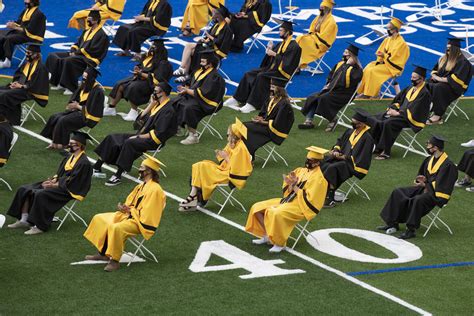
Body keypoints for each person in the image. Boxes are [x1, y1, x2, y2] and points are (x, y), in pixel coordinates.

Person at [84, 155, 166, 272]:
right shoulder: (141, 185)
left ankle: (115, 261)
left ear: (149, 171)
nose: (139, 170)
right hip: (128, 216)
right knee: (99, 218)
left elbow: (149, 214)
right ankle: (103, 253)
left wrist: (130, 211)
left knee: (116, 228)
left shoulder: (156, 190)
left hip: (139, 222)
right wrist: (124, 207)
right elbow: (131, 202)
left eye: (142, 168)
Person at [6, 131, 93, 235]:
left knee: (40, 194)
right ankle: (24, 220)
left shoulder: (84, 163)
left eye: (72, 143)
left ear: (79, 146)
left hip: (70, 190)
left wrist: (53, 185)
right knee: (25, 189)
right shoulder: (70, 157)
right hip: (60, 184)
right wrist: (52, 180)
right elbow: (60, 173)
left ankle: (39, 226)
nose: (69, 145)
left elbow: (75, 182)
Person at [245, 146, 329, 253]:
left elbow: (311, 199)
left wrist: (295, 186)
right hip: (288, 200)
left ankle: (279, 243)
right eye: (308, 159)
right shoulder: (300, 170)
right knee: (256, 207)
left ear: (317, 162)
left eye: (311, 160)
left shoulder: (319, 179)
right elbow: (288, 190)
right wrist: (290, 184)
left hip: (300, 206)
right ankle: (267, 235)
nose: (308, 162)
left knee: (275, 212)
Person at [93, 82, 177, 186]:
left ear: (163, 93)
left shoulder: (168, 110)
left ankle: (118, 175)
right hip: (142, 135)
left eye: (155, 91)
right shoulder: (157, 105)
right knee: (112, 137)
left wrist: (137, 136)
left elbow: (159, 133)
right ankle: (97, 167)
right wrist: (150, 105)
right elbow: (138, 122)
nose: (153, 93)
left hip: (153, 140)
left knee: (129, 142)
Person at [377, 135, 458, 239]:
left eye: (429, 145)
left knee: (417, 200)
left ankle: (411, 230)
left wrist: (426, 185)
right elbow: (422, 176)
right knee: (398, 192)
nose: (427, 146)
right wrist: (420, 180)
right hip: (424, 188)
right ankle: (393, 223)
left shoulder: (448, 165)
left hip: (436, 195)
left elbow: (443, 186)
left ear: (435, 148)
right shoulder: (429, 159)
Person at [224, 18, 302, 113]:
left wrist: (274, 54)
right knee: (249, 73)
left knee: (261, 76)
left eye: (281, 30)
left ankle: (253, 104)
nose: (279, 32)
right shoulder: (281, 44)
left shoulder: (295, 47)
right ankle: (237, 98)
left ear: (288, 32)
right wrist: (269, 50)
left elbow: (288, 64)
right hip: (272, 70)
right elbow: (272, 58)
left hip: (281, 74)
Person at [179, 118, 253, 211]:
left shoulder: (241, 148)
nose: (227, 132)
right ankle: (193, 196)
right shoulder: (232, 143)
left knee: (202, 170)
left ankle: (193, 199)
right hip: (223, 170)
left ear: (233, 134)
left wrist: (225, 157)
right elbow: (225, 158)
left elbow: (238, 169)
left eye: (229, 131)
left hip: (230, 175)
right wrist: (221, 154)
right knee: (199, 165)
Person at [367, 65, 431, 160]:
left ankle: (386, 152)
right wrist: (393, 109)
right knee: (377, 118)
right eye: (411, 77)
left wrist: (397, 113)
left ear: (421, 79)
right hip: (400, 115)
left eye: (414, 78)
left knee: (388, 123)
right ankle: (376, 146)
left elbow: (417, 110)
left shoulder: (424, 93)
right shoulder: (410, 88)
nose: (411, 79)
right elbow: (398, 100)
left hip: (411, 119)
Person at [104, 37, 173, 121]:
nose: (151, 49)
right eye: (151, 47)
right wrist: (137, 69)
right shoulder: (147, 58)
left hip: (151, 84)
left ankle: (134, 112)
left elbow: (158, 79)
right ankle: (111, 108)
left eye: (154, 48)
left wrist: (141, 73)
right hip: (139, 78)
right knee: (120, 84)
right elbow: (141, 66)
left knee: (133, 87)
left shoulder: (164, 63)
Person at [298, 43, 363, 131]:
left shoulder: (357, 70)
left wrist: (347, 66)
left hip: (344, 93)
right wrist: (327, 84)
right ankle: (309, 121)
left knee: (323, 98)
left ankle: (332, 119)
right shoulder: (340, 64)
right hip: (331, 90)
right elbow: (331, 76)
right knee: (313, 97)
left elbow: (345, 83)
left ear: (351, 56)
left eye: (346, 52)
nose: (343, 53)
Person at [40, 66, 105, 150]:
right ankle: (55, 141)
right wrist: (71, 106)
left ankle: (64, 144)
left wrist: (77, 106)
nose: (83, 79)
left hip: (87, 117)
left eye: (86, 77)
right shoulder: (85, 85)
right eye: (83, 77)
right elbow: (75, 98)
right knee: (55, 117)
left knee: (63, 120)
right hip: (78, 112)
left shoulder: (98, 91)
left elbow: (94, 111)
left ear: (91, 78)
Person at [46, 10, 109, 95]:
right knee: (53, 56)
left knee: (68, 60)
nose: (87, 21)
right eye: (87, 19)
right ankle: (59, 82)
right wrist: (73, 50)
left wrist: (77, 53)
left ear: (96, 21)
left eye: (89, 19)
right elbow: (77, 43)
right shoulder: (87, 31)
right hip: (78, 55)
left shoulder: (102, 35)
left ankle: (71, 87)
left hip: (89, 59)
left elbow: (94, 51)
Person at [321, 109, 374, 207]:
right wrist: (336, 151)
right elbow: (339, 142)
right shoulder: (350, 131)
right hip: (340, 159)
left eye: (355, 123)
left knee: (332, 168)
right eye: (352, 122)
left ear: (362, 124)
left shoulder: (367, 139)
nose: (353, 124)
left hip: (353, 165)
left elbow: (363, 158)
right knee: (323, 162)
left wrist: (345, 157)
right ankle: (321, 190)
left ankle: (330, 198)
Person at [171, 49, 226, 145]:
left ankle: (193, 136)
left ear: (210, 64)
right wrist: (185, 88)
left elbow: (206, 93)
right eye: (201, 61)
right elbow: (189, 83)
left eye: (203, 62)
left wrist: (187, 91)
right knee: (175, 101)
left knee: (189, 108)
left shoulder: (214, 77)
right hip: (194, 98)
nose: (201, 63)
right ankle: (178, 127)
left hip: (207, 102)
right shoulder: (199, 71)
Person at [173, 5, 233, 82]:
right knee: (190, 49)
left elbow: (220, 42)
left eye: (215, 13)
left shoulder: (227, 30)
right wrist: (205, 39)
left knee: (190, 46)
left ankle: (184, 70)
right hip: (209, 46)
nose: (212, 14)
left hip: (216, 52)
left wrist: (209, 37)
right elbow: (211, 38)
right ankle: (186, 73)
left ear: (219, 16)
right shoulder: (216, 25)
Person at [357, 17, 410, 98]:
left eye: (389, 29)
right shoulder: (388, 40)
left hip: (393, 68)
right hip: (385, 64)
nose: (387, 31)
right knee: (368, 67)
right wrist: (380, 58)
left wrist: (384, 56)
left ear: (394, 30)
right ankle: (365, 92)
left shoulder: (401, 44)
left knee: (373, 71)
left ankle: (371, 94)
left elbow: (395, 60)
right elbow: (381, 51)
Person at [243, 76, 294, 159]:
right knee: (242, 126)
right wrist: (261, 118)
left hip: (274, 131)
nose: (271, 88)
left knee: (246, 129)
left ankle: (249, 157)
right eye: (271, 86)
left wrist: (262, 122)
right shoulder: (272, 98)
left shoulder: (284, 104)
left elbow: (279, 123)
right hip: (266, 126)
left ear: (280, 89)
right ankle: (242, 155)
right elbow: (264, 113)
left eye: (273, 87)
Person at [426, 38, 473, 125]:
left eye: (449, 49)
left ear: (455, 49)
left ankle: (438, 116)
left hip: (455, 88)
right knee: (426, 83)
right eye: (447, 48)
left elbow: (456, 79)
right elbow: (435, 70)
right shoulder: (444, 58)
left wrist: (439, 79)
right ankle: (424, 108)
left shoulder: (463, 62)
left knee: (438, 87)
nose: (447, 50)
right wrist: (434, 76)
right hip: (443, 83)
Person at [0, 44, 49, 126]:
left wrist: (22, 86)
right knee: (2, 89)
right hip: (22, 88)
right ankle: (10, 118)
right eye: (26, 52)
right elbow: (19, 76)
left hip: (32, 91)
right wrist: (15, 83)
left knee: (5, 95)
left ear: (36, 54)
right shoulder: (27, 64)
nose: (27, 54)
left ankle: (6, 120)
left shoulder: (41, 68)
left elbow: (37, 84)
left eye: (29, 53)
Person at [0, 0, 46, 69]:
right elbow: (19, 22)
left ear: (33, 1)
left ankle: (7, 61)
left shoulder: (38, 14)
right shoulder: (26, 11)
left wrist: (15, 27)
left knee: (9, 39)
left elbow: (31, 30)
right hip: (23, 33)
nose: (25, 1)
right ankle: (1, 57)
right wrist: (12, 24)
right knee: (1, 34)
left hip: (32, 36)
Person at [296, 0, 337, 70]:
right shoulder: (319, 17)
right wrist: (310, 35)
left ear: (327, 9)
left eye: (322, 8)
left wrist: (312, 36)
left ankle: (298, 64)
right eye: (320, 7)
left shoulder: (331, 22)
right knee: (300, 38)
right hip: (314, 39)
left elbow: (324, 38)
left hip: (320, 45)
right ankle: (296, 63)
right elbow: (312, 28)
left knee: (303, 42)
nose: (320, 9)